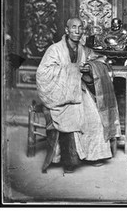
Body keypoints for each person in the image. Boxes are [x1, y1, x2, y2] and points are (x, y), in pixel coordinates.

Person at [36, 17, 121, 173]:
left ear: (83, 30)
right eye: (73, 27)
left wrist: (90, 67)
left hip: (80, 92)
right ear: (67, 30)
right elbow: (43, 73)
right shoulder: (55, 49)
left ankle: (94, 155)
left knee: (95, 118)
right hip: (61, 96)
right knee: (72, 119)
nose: (77, 30)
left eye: (80, 27)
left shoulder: (84, 49)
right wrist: (74, 70)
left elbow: (99, 60)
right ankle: (70, 160)